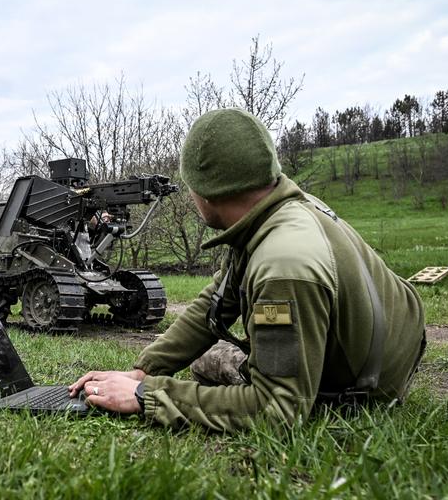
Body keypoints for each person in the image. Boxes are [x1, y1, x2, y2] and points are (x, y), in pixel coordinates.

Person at [68, 108, 426, 431]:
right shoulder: (273, 213)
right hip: (392, 346)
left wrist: (146, 395)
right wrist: (143, 371)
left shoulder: (283, 264)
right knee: (207, 360)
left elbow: (278, 408)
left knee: (213, 364)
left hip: (370, 386)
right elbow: (214, 304)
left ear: (205, 192)